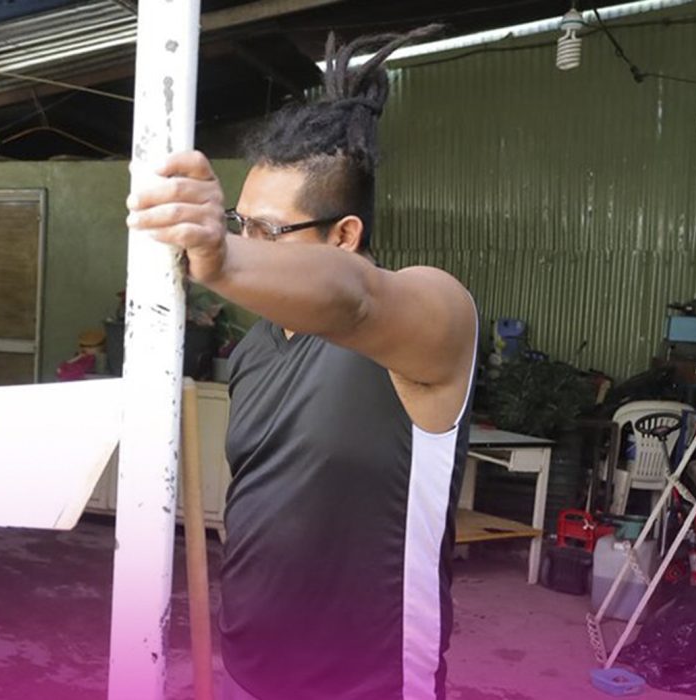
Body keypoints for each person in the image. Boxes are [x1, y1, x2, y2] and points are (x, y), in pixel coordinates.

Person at [126, 26, 478, 700]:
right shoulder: (256, 346)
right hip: (250, 671)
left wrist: (222, 258)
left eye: (265, 231)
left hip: (369, 683)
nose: (242, 240)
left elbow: (357, 301)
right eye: (238, 222)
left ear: (345, 235)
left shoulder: (430, 321)